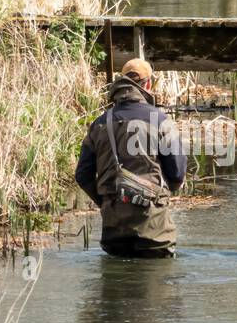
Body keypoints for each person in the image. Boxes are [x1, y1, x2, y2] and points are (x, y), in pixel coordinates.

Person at [75, 58, 185, 257]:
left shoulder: (99, 124)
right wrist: (155, 198)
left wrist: (109, 201)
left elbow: (83, 175)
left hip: (114, 229)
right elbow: (177, 173)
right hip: (155, 230)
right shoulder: (160, 120)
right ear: (148, 84)